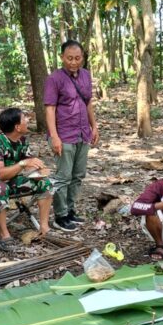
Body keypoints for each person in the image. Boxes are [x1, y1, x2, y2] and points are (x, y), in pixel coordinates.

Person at [0, 108, 53, 251]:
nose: (28, 120)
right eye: (24, 118)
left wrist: (38, 170)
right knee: (1, 187)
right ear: (17, 126)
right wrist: (22, 164)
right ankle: (3, 234)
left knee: (45, 183)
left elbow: (28, 163)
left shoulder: (22, 140)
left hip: (12, 179)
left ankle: (44, 227)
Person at [44, 40, 100, 232]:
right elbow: (50, 109)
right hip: (64, 134)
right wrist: (54, 136)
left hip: (83, 132)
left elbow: (88, 102)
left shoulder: (86, 75)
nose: (74, 62)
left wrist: (94, 126)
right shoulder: (54, 79)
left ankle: (70, 211)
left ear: (83, 58)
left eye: (77, 58)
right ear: (62, 57)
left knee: (78, 175)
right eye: (69, 58)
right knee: (63, 176)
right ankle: (60, 216)